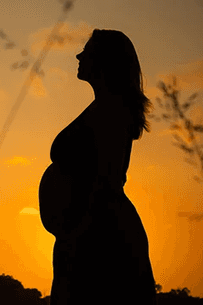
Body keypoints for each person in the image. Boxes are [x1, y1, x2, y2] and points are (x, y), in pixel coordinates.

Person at [47, 29, 157, 304]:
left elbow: (106, 182)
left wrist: (78, 235)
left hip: (100, 240)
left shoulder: (112, 110)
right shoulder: (103, 107)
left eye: (87, 51)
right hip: (88, 234)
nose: (79, 55)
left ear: (106, 60)